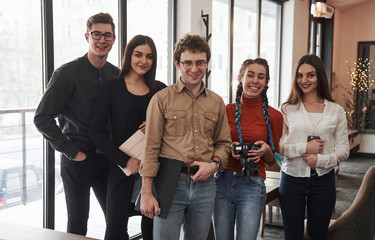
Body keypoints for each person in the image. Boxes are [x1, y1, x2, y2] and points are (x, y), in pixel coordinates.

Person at [139, 33, 232, 240]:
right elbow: (150, 148)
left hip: (205, 184)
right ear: (177, 63)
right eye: (187, 62)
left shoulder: (216, 102)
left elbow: (224, 144)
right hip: (170, 182)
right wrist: (146, 192)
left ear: (207, 63)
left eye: (200, 62)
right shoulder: (161, 100)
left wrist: (214, 165)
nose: (194, 68)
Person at [34, 12, 119, 236]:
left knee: (116, 221)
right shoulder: (67, 73)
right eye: (97, 34)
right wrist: (72, 152)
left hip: (107, 159)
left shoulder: (116, 75)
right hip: (77, 159)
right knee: (77, 226)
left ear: (114, 39)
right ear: (87, 36)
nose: (102, 40)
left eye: (107, 35)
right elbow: (42, 118)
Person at [89, 35, 166, 240]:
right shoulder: (111, 88)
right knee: (115, 229)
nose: (143, 61)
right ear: (128, 56)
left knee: (152, 230)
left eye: (149, 56)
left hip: (156, 172)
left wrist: (157, 124)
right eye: (138, 54)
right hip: (123, 168)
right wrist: (125, 160)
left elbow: (177, 127)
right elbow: (95, 131)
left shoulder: (160, 90)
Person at [279, 54, 350, 240]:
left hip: (323, 181)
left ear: (319, 77)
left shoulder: (336, 111)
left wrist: (321, 160)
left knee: (317, 236)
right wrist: (305, 147)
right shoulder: (287, 109)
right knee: (292, 236)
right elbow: (280, 147)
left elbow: (344, 149)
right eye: (300, 75)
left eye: (310, 75)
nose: (304, 80)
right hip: (292, 180)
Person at [212, 58, 283, 240]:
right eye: (250, 75)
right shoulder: (224, 110)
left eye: (261, 77)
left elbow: (272, 159)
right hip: (222, 181)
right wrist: (228, 149)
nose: (255, 81)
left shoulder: (275, 116)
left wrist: (266, 149)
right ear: (240, 78)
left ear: (266, 83)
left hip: (252, 185)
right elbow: (212, 147)